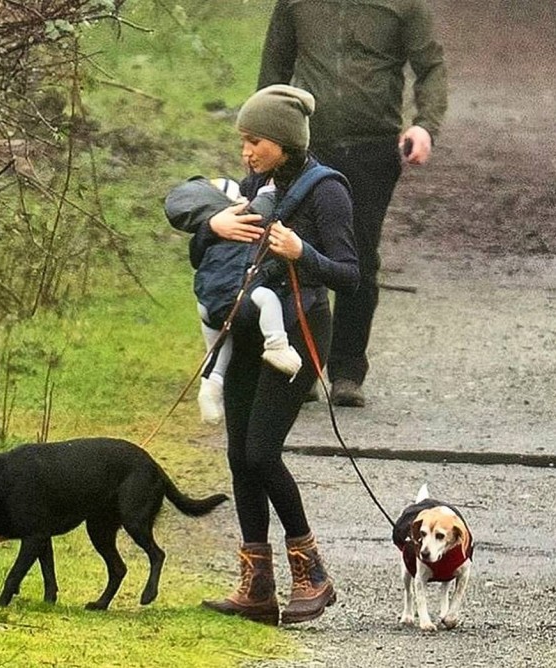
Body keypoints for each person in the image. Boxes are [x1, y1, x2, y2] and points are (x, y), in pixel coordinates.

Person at [195, 84, 359, 625]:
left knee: (262, 452)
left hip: (302, 334)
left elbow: (351, 275)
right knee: (239, 456)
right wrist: (211, 225)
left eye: (256, 141)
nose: (246, 152)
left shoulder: (327, 191)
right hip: (248, 328)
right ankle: (257, 586)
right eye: (243, 141)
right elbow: (213, 252)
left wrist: (301, 251)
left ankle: (312, 573)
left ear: (285, 142)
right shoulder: (253, 185)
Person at [258, 0, 448, 407]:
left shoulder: (404, 6)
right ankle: (301, 366)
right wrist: (264, 136)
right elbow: (274, 69)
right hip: (307, 145)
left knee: (357, 254)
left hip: (373, 148)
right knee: (291, 250)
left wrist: (424, 124)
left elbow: (430, 67)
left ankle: (346, 371)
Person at [165, 176, 302, 425]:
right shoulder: (250, 218)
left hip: (207, 303)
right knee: (267, 298)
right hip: (240, 298)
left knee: (218, 352)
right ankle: (277, 345)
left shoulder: (210, 227)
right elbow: (270, 202)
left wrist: (209, 227)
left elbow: (196, 257)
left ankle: (210, 386)